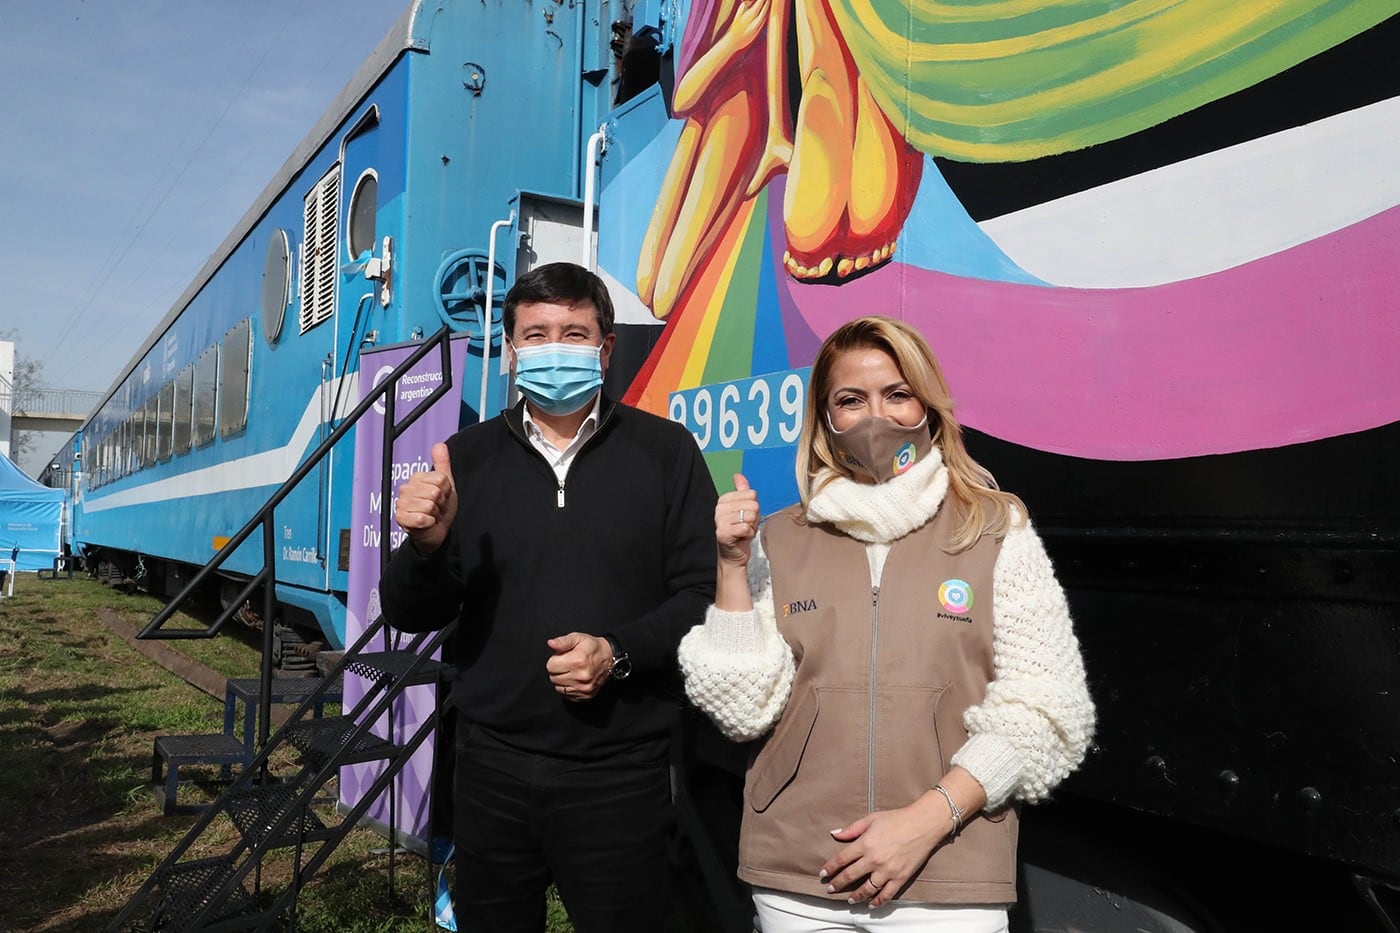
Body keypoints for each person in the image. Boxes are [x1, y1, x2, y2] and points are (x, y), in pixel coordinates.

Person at [678, 315, 1095, 932]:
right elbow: (743, 711)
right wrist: (733, 569)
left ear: (926, 407)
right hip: (801, 874)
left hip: (948, 869)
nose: (877, 417)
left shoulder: (994, 527)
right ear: (825, 421)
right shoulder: (782, 537)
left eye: (897, 394)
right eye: (851, 400)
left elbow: (1049, 707)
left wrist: (926, 819)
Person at [381, 261, 719, 933]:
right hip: (491, 771)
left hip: (622, 774)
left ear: (607, 346)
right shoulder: (465, 458)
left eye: (573, 331)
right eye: (535, 333)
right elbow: (409, 611)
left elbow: (704, 596)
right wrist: (424, 546)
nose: (553, 347)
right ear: (509, 350)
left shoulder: (666, 452)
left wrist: (619, 651)